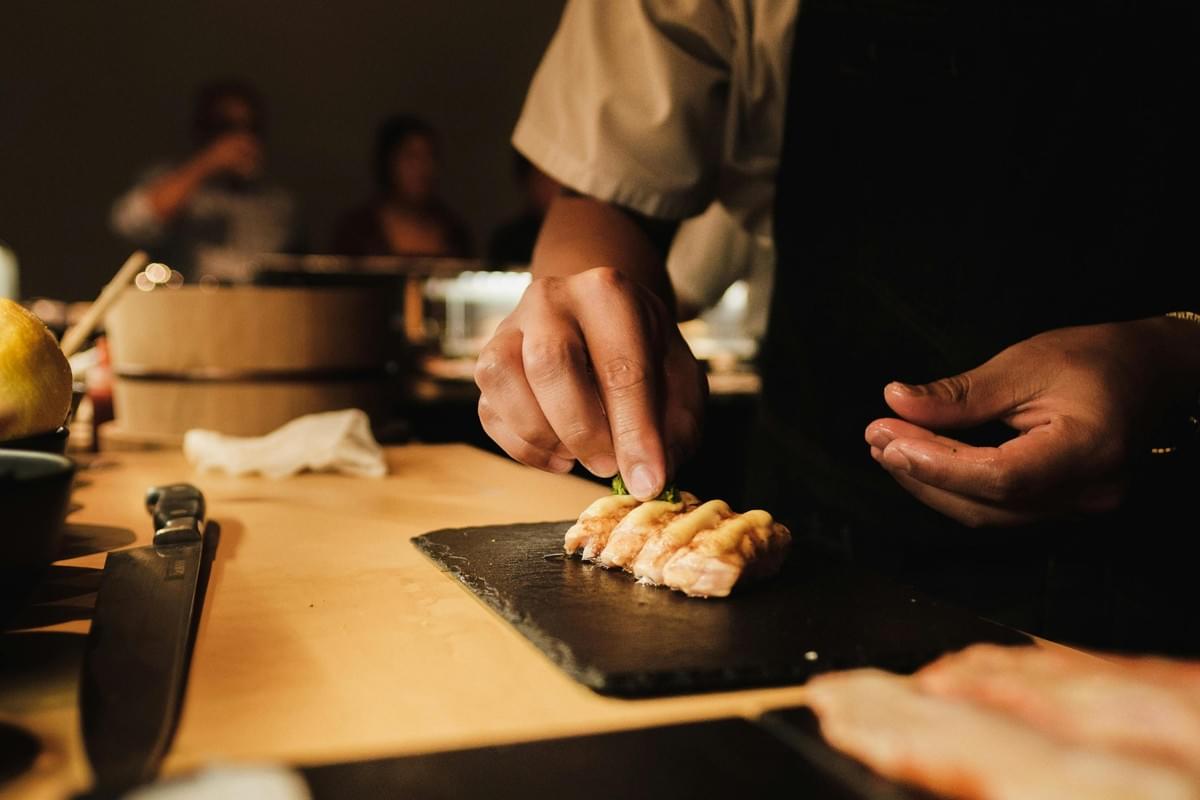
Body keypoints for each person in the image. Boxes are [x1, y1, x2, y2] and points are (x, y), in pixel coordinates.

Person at [475, 1, 1200, 651]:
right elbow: (603, 193)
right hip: (821, 536)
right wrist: (584, 303)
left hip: (1168, 566)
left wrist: (1173, 360)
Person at [111, 80, 302, 282]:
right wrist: (208, 163)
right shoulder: (171, 179)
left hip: (258, 309)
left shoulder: (278, 203)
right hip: (182, 308)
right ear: (203, 129)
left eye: (251, 127)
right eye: (227, 127)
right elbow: (132, 223)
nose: (241, 139)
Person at [333, 115, 472, 258]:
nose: (423, 169)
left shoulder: (453, 231)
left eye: (431, 157)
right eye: (411, 157)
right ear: (388, 162)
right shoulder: (358, 231)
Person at [486, 152, 559, 266]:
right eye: (544, 178)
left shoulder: (586, 232)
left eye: (558, 178)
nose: (555, 187)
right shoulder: (509, 240)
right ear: (527, 181)